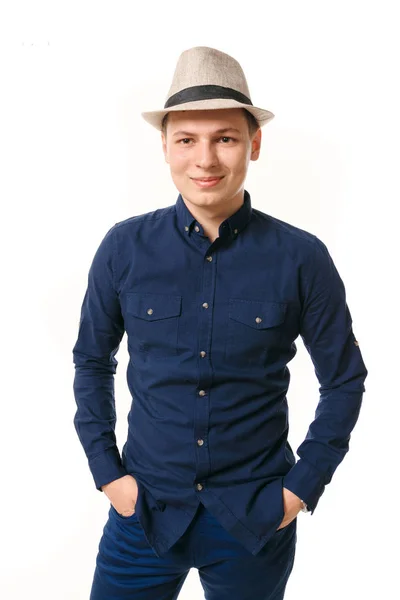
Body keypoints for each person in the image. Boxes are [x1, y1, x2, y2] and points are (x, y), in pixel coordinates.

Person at [72, 46, 368, 600]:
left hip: (255, 520)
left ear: (254, 143)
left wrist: (300, 489)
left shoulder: (302, 258)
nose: (205, 159)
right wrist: (109, 475)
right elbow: (92, 360)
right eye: (187, 139)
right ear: (164, 146)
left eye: (225, 138)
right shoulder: (123, 248)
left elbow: (345, 380)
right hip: (145, 515)